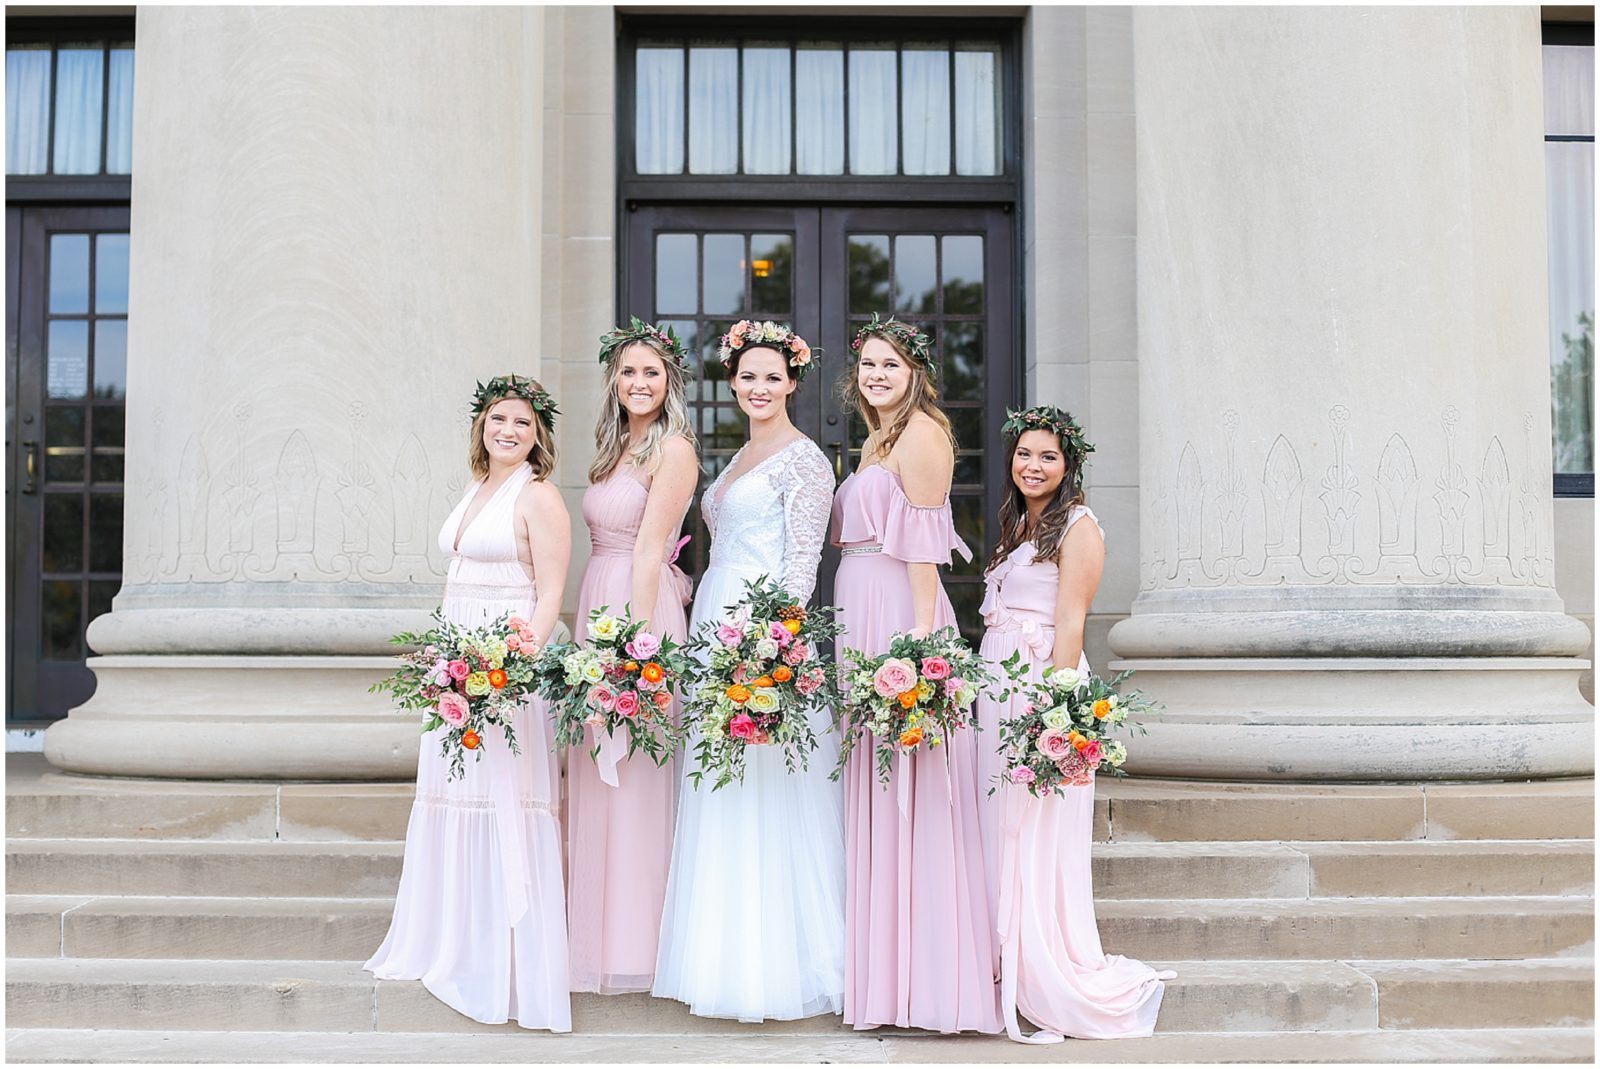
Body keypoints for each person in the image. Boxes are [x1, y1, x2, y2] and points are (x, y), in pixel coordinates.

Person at [365, 375, 571, 1032]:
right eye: (497, 419)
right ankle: (449, 936)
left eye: (520, 422)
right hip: (459, 663)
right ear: (481, 426)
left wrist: (512, 669)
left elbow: (548, 596)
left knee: (501, 798)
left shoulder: (539, 497)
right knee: (455, 792)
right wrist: (447, 664)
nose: (507, 430)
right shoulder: (476, 486)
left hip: (504, 670)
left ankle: (504, 956)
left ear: (539, 434)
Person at [652, 321, 844, 1023]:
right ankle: (719, 952)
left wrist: (772, 653)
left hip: (761, 635)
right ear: (731, 383)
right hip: (714, 621)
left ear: (793, 382)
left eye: (773, 376)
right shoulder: (736, 457)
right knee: (721, 783)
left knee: (768, 786)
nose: (759, 387)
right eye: (747, 376)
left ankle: (774, 963)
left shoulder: (806, 462)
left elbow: (800, 568)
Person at [976, 405, 1173, 1043]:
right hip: (999, 687)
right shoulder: (1017, 526)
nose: (1033, 467)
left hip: (1038, 689)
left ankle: (1044, 961)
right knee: (1000, 824)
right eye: (1025, 455)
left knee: (1034, 830)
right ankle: (1001, 954)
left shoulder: (1078, 527)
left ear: (1069, 466)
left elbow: (1071, 624)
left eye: (1048, 457)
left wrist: (1053, 715)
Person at [829, 314, 1000, 1034]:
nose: (877, 375)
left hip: (896, 612)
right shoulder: (877, 438)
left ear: (915, 373)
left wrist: (917, 646)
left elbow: (925, 551)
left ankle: (924, 980)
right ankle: (881, 973)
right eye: (869, 364)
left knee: (909, 783)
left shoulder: (924, 434)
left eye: (890, 365)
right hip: (860, 606)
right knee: (873, 778)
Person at [568, 317, 698, 995]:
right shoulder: (613, 448)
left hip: (638, 611)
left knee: (640, 770)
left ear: (669, 381)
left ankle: (643, 943)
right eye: (628, 372)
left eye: (652, 372)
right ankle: (600, 936)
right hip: (601, 598)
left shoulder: (673, 450)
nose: (639, 382)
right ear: (613, 382)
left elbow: (651, 549)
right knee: (597, 766)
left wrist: (636, 648)